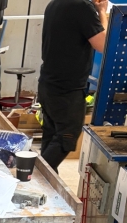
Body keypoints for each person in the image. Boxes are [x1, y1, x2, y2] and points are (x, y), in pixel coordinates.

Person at [38, 0, 108, 169]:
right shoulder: (83, 7)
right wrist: (102, 12)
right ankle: (35, 175)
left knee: (51, 136)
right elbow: (103, 44)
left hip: (48, 83)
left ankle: (44, 179)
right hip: (67, 89)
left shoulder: (54, 3)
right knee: (66, 137)